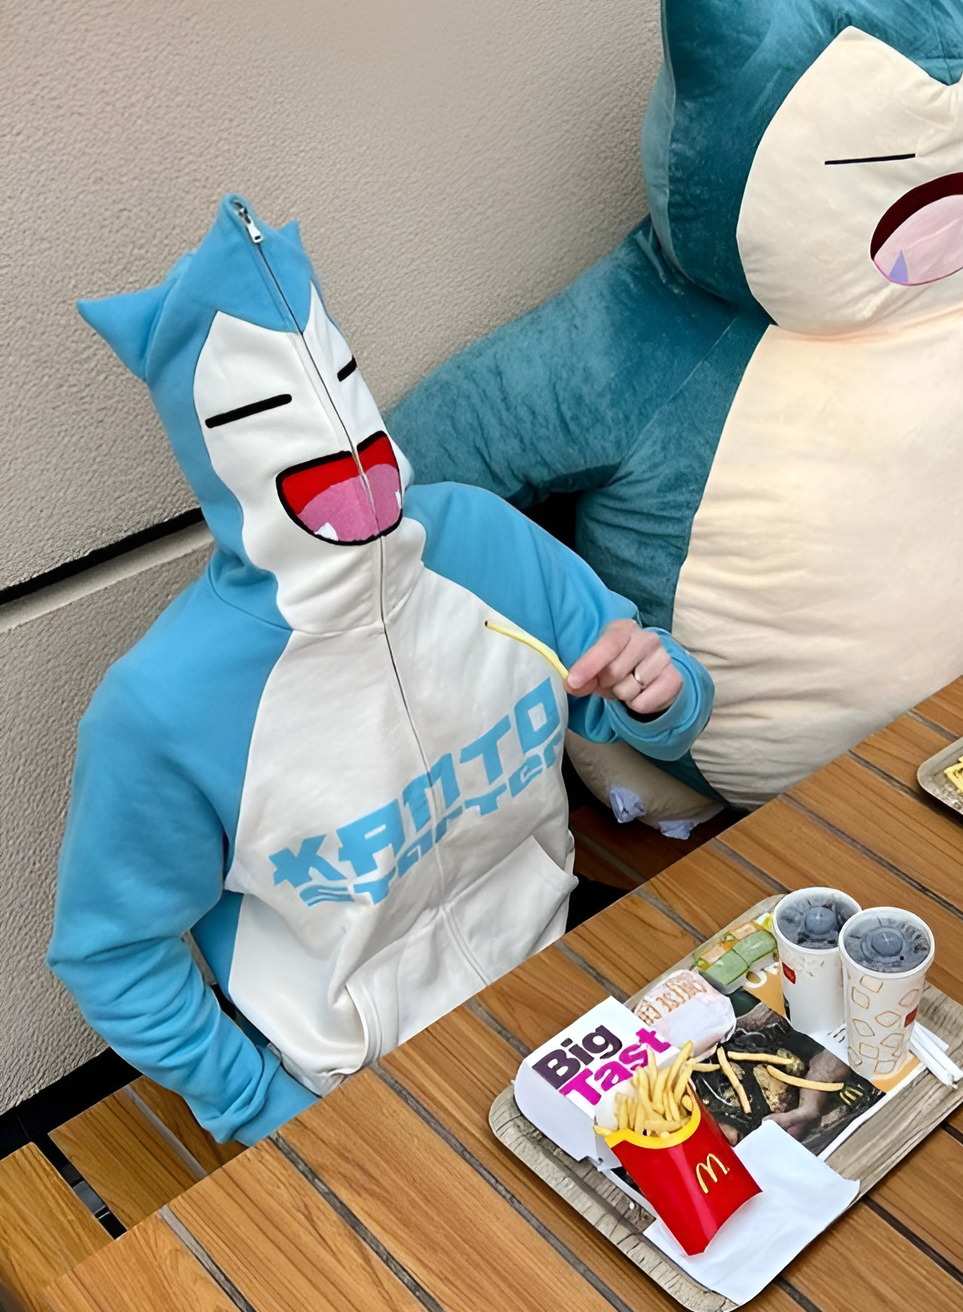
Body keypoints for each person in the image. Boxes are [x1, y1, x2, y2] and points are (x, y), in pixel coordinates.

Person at [50, 195, 713, 1146]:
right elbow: (111, 954)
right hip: (353, 1084)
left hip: (561, 967)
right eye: (275, 418)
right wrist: (259, 1106)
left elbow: (656, 698)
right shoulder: (164, 706)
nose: (347, 462)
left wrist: (662, 691)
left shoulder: (479, 537)